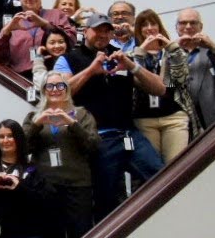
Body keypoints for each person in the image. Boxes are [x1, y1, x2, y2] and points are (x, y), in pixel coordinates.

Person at [60, 12, 166, 220]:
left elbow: (160, 89)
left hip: (129, 133)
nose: (102, 34)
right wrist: (91, 70)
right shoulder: (69, 58)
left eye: (107, 30)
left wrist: (132, 66)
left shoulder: (120, 55)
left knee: (160, 178)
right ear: (86, 31)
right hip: (98, 137)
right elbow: (61, 93)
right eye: (97, 29)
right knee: (105, 198)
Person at [25, 70, 99, 238]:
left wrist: (72, 123)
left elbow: (93, 146)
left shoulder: (81, 114)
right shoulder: (33, 117)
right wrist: (37, 125)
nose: (55, 89)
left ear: (67, 89)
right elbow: (23, 149)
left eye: (60, 85)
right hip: (47, 187)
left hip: (77, 185)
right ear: (43, 90)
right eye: (50, 86)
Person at [130, 9, 193, 163]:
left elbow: (182, 78)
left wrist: (171, 47)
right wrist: (141, 51)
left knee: (176, 163)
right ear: (139, 30)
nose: (150, 28)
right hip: (145, 119)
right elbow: (137, 79)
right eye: (144, 25)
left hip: (173, 116)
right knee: (153, 168)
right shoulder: (133, 55)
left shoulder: (172, 52)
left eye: (153, 24)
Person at [0, 0, 76, 76]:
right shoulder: (14, 23)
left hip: (54, 77)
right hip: (21, 79)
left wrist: (45, 24)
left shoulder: (56, 15)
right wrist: (6, 31)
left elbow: (71, 40)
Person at [176, 8, 215, 134]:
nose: (188, 27)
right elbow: (166, 86)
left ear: (201, 27)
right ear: (177, 27)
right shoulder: (168, 54)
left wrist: (213, 48)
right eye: (183, 23)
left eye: (193, 23)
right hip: (181, 125)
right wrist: (172, 52)